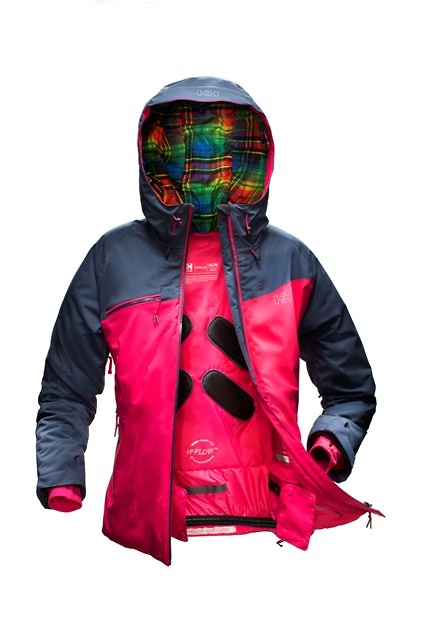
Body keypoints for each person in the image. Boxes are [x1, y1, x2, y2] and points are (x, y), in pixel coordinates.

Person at [36, 76, 383, 566]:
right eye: (185, 150)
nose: (201, 168)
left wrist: (330, 446)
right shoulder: (112, 259)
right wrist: (61, 476)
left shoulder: (289, 261)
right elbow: (66, 387)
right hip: (145, 525)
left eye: (223, 150)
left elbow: (351, 387)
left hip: (266, 523)